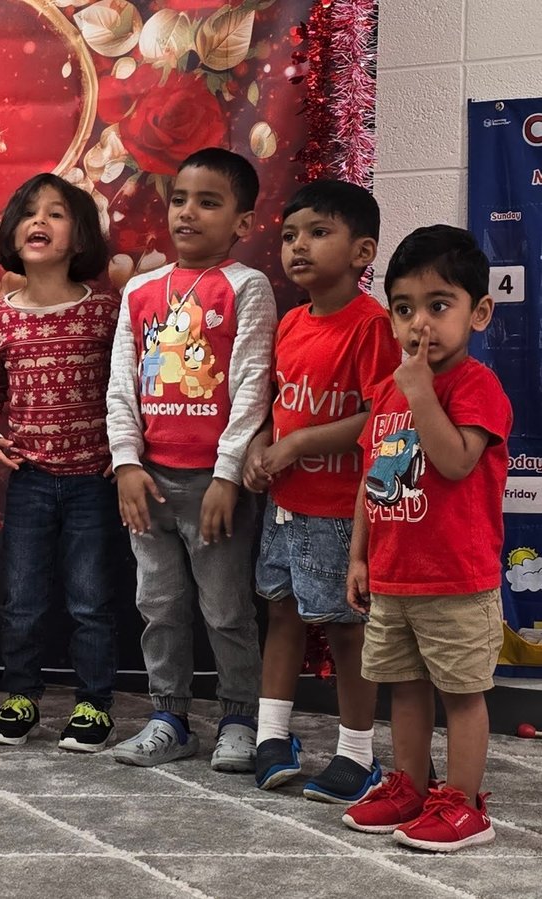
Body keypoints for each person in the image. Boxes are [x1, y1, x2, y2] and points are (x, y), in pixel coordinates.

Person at [105, 148, 275, 770]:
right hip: (149, 483)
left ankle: (239, 716)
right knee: (158, 604)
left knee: (227, 608)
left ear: (243, 223)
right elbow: (122, 381)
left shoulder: (246, 287)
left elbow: (254, 383)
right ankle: (168, 716)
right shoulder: (143, 289)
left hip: (213, 485)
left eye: (209, 202)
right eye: (180, 199)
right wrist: (126, 461)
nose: (189, 213)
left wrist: (228, 476)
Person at [342, 225, 508, 852]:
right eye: (405, 309)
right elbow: (371, 477)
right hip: (393, 573)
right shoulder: (389, 391)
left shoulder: (475, 387)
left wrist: (420, 396)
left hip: (455, 578)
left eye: (439, 306)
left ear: (479, 312)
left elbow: (457, 460)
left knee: (461, 694)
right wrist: (358, 554)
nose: (421, 325)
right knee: (404, 689)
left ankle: (465, 805)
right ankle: (410, 786)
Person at [244, 180, 399, 800]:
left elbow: (379, 417)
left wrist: (300, 445)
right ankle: (271, 736)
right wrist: (262, 446)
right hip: (285, 507)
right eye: (289, 236)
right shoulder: (290, 323)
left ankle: (358, 754)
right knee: (280, 613)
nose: (298, 247)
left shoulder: (374, 327)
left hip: (340, 512)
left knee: (344, 629)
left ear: (363, 252)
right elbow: (279, 405)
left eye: (318, 232)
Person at [0, 173, 122, 752]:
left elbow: (128, 388)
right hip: (29, 480)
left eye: (56, 214)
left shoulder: (106, 313)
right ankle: (20, 698)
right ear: (11, 233)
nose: (40, 222)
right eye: (29, 213)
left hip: (94, 479)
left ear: (80, 237)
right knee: (23, 599)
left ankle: (93, 703)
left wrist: (125, 453)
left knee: (90, 598)